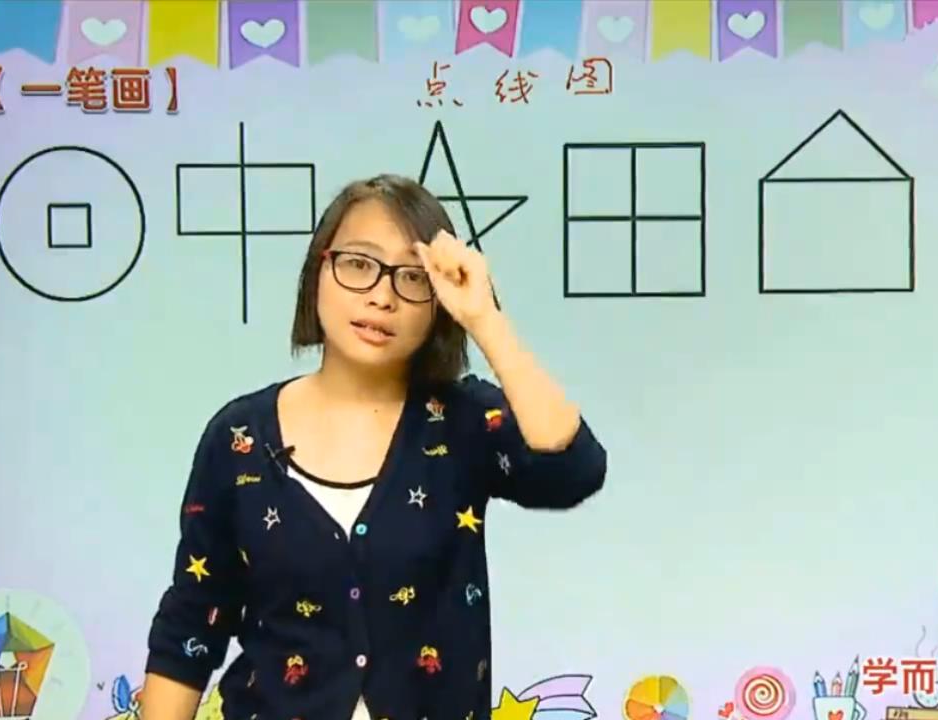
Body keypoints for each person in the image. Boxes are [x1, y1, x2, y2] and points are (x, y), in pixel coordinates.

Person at [140, 174, 608, 720]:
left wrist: (484, 318)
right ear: (319, 269)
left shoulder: (461, 422)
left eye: (412, 278)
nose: (382, 297)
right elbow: (191, 626)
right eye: (359, 264)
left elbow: (574, 469)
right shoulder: (237, 437)